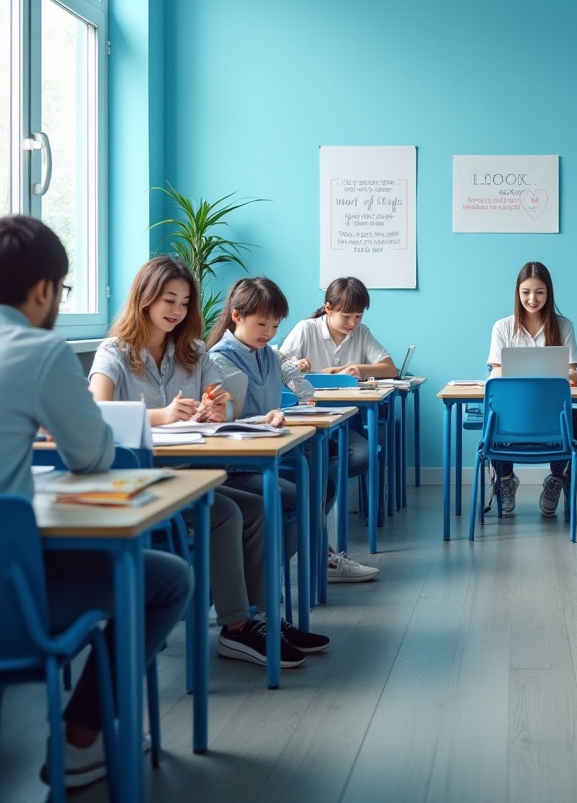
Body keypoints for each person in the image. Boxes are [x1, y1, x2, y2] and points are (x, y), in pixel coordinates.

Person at [0, 216, 193, 790]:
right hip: (14, 600)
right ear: (43, 290)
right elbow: (93, 455)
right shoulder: (39, 350)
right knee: (166, 579)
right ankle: (80, 741)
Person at [88, 257, 328, 667]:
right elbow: (96, 413)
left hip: (186, 477)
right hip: (136, 483)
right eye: (169, 299)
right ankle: (236, 628)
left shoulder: (193, 352)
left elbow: (225, 401)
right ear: (144, 298)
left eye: (184, 303)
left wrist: (224, 410)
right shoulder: (115, 351)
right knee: (229, 512)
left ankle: (265, 617)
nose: (177, 310)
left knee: (256, 508)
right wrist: (160, 416)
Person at [207, 277, 378, 582]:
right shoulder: (219, 360)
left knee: (323, 478)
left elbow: (302, 387)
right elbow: (225, 420)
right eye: (262, 325)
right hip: (238, 465)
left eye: (275, 326)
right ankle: (264, 579)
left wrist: (302, 392)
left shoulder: (267, 353)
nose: (270, 333)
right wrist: (266, 418)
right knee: (304, 495)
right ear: (236, 316)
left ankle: (296, 565)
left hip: (269, 453)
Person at [279, 277, 391, 583]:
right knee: (320, 472)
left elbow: (389, 368)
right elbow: (278, 363)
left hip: (337, 423)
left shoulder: (361, 333)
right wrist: (299, 365)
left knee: (361, 456)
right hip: (305, 418)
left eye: (359, 316)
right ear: (327, 308)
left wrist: (359, 369)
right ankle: (321, 551)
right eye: (347, 316)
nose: (353, 323)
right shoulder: (306, 329)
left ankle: (316, 547)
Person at [486, 261, 577, 518]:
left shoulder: (563, 326)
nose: (532, 299)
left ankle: (557, 478)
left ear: (549, 293)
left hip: (551, 417)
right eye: (526, 292)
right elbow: (496, 371)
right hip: (514, 416)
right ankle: (505, 479)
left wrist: (572, 375)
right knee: (493, 419)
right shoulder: (502, 327)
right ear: (517, 292)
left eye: (539, 292)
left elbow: (575, 371)